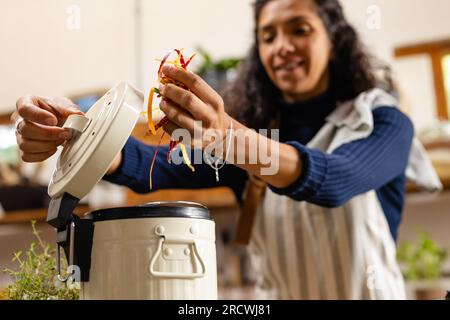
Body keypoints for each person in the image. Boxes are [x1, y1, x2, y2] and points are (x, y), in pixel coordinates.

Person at [13, 0, 441, 299]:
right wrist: (76, 135)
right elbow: (157, 166)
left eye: (300, 29)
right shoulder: (258, 133)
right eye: (268, 36)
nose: (282, 46)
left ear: (335, 40)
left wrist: (229, 138)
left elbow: (335, 177)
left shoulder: (384, 120)